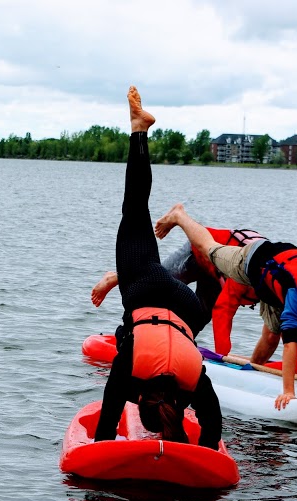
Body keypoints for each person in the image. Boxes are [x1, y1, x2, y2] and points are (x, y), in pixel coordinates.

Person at [155, 203, 297, 409]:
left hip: (274, 287)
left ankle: (251, 371)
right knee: (210, 249)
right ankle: (180, 216)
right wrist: (289, 392)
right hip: (253, 260)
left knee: (272, 336)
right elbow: (291, 342)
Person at [94, 87, 222, 449]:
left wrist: (206, 450)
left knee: (209, 288)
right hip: (147, 291)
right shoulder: (131, 368)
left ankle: (204, 251)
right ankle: (138, 130)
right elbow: (107, 421)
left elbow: (214, 423)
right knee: (134, 210)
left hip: (190, 312)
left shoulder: (193, 379)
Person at [91, 226, 265, 355]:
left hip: (215, 274)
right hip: (198, 251)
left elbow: (275, 331)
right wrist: (222, 357)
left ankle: (174, 347)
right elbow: (223, 314)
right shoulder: (248, 276)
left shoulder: (278, 289)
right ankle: (115, 277)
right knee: (157, 281)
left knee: (199, 317)